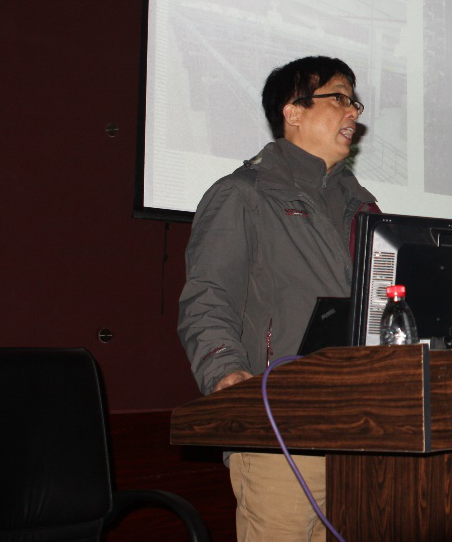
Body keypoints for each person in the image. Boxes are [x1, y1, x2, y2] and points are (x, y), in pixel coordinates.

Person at [177, 55, 378, 541]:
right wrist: (224, 372)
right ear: (293, 111)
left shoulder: (364, 205)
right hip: (279, 430)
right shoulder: (243, 194)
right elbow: (207, 296)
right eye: (339, 98)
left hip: (364, 431)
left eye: (355, 102)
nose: (353, 111)